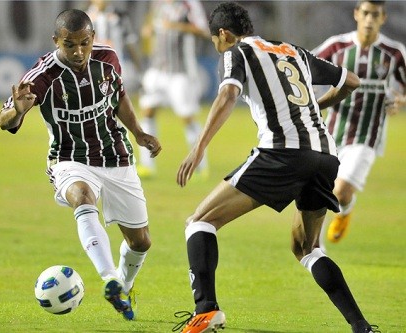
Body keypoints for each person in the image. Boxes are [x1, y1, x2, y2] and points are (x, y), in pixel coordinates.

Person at [173, 2, 379, 333]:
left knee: (199, 222)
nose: (218, 47)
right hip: (325, 155)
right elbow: (351, 80)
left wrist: (198, 148)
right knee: (307, 248)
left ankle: (206, 310)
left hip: (282, 153)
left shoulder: (237, 51)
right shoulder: (293, 51)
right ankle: (362, 326)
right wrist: (315, 106)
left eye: (216, 41)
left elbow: (227, 95)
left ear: (224, 34)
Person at [0, 9, 161, 321]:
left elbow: (119, 96)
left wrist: (139, 133)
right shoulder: (42, 75)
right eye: (70, 45)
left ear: (93, 38)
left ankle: (122, 289)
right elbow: (5, 121)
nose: (78, 52)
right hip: (69, 157)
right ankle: (110, 276)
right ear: (56, 41)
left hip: (115, 155)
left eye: (84, 43)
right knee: (83, 198)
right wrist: (17, 112)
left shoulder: (108, 58)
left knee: (140, 242)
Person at [312, 0, 406, 244]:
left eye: (375, 15)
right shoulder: (337, 46)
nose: (369, 19)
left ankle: (345, 209)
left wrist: (401, 101)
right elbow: (306, 65)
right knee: (320, 190)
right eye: (365, 13)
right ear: (356, 14)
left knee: (340, 191)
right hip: (332, 132)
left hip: (368, 135)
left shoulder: (394, 53)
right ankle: (316, 248)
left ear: (383, 18)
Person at [137, 0, 210, 179]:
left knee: (187, 118)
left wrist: (176, 26)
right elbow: (150, 26)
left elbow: (204, 31)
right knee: (147, 112)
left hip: (181, 71)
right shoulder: (157, 4)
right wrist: (148, 31)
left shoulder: (189, 4)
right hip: (157, 68)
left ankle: (200, 165)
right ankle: (147, 165)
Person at [86, 0, 142, 91]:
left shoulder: (120, 16)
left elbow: (130, 44)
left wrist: (138, 68)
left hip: (117, 66)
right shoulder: (83, 17)